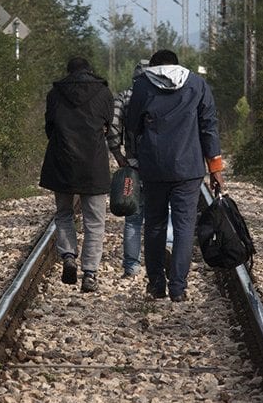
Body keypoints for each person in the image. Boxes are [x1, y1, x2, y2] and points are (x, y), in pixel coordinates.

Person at [125, 49, 225, 302]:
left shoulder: (143, 85)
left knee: (155, 225)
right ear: (177, 65)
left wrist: (134, 157)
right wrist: (215, 169)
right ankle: (178, 288)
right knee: (183, 227)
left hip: (154, 168)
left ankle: (156, 285)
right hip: (188, 169)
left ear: (154, 66)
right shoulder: (197, 84)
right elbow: (209, 127)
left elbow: (132, 125)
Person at [39, 57, 114, 293]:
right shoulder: (103, 93)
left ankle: (69, 256)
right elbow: (109, 126)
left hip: (62, 162)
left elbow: (49, 128)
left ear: (68, 72)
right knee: (95, 222)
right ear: (90, 71)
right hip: (93, 164)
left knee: (63, 213)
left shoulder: (55, 93)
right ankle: (90, 273)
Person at [107, 60, 149, 278]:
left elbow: (113, 128)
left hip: (133, 164)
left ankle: (132, 266)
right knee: (163, 213)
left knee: (133, 217)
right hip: (161, 166)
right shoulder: (163, 96)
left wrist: (118, 155)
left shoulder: (123, 97)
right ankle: (165, 249)